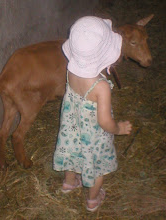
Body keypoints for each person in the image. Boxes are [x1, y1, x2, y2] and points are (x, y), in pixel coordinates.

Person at [53, 16, 132, 212]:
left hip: (72, 126)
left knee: (71, 151)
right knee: (97, 167)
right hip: (94, 137)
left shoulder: (71, 71)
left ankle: (69, 183)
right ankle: (93, 200)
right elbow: (104, 122)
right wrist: (119, 128)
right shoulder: (101, 86)